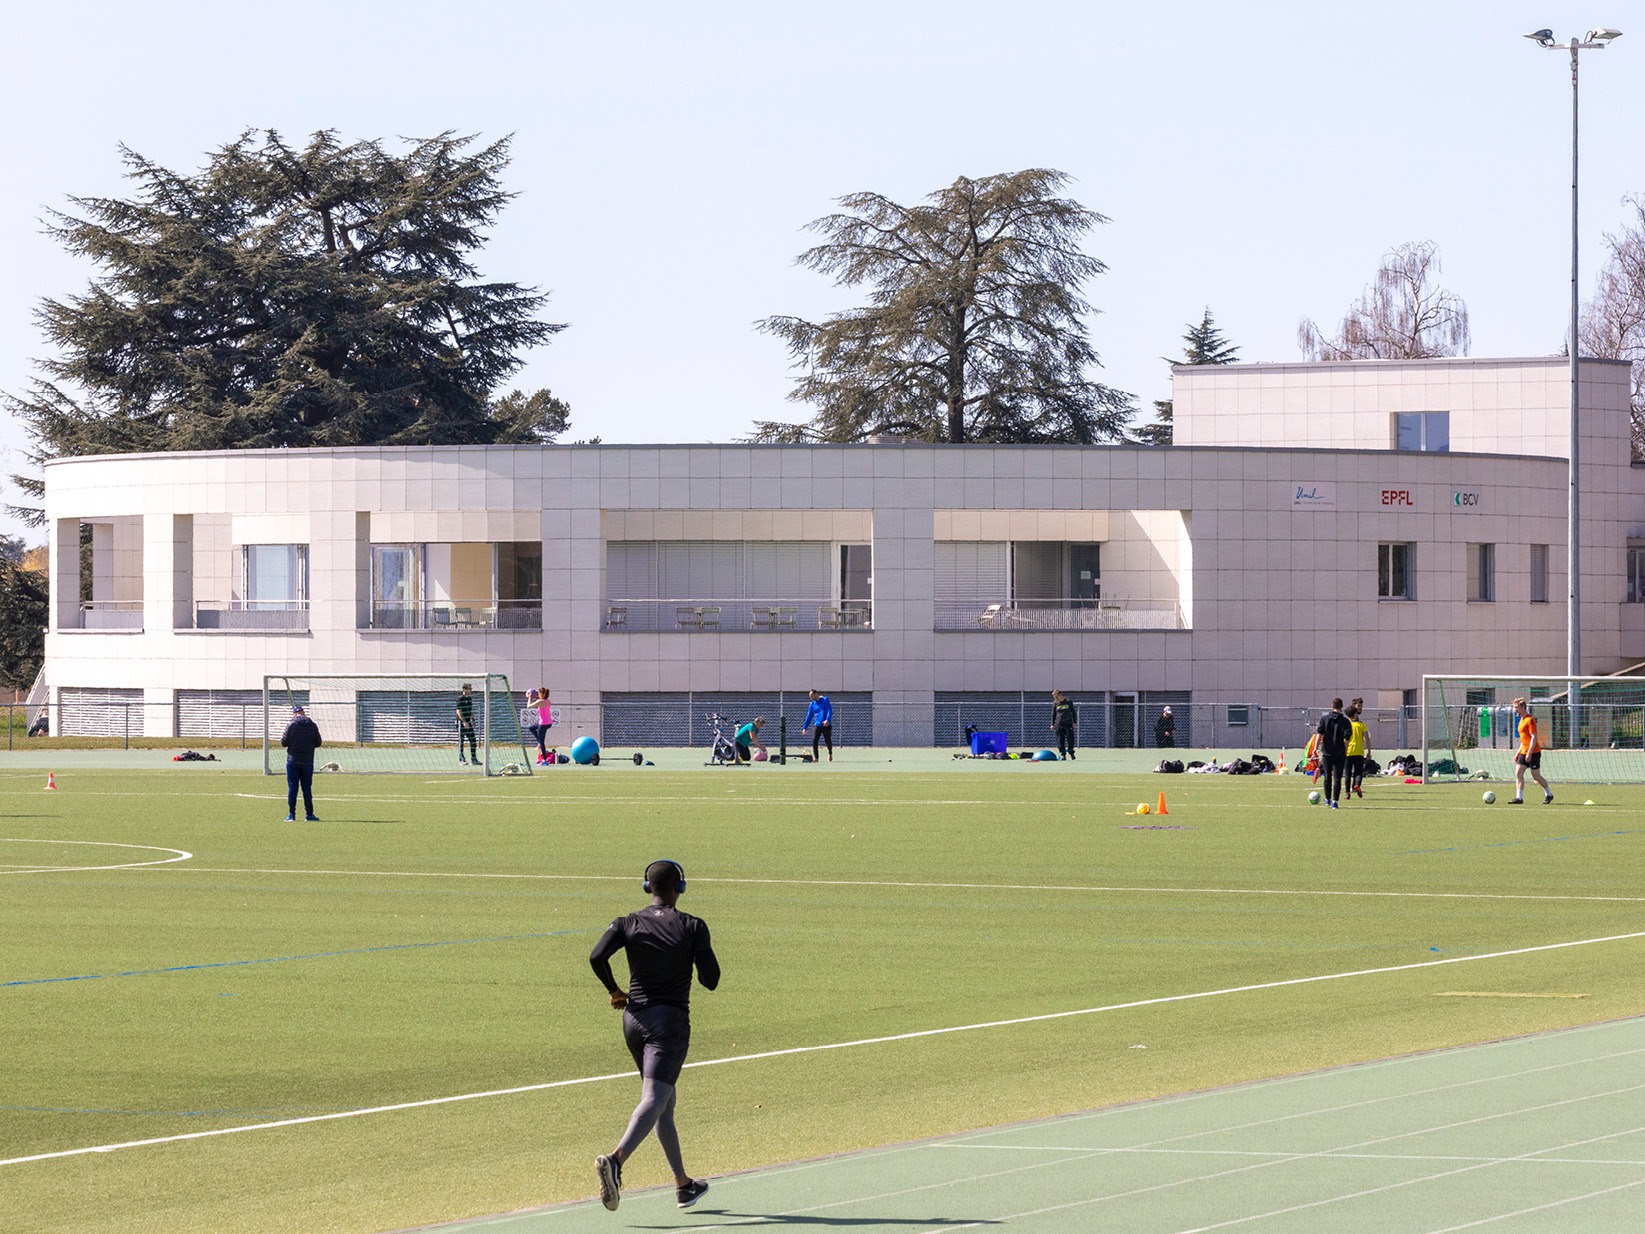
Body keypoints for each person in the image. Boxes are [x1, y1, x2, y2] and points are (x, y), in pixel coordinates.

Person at [589, 859, 720, 1212]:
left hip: (634, 1021)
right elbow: (711, 980)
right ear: (680, 888)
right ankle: (615, 1161)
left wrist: (615, 990)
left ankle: (683, 1185)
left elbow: (597, 956)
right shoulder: (693, 925)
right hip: (670, 1024)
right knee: (654, 1098)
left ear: (649, 888)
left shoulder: (627, 922)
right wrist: (694, 954)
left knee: (664, 1102)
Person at [280, 704, 323, 822]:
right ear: (303, 712)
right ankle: (309, 814)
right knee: (307, 789)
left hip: (293, 761)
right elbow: (318, 742)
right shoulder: (312, 725)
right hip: (308, 761)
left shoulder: (291, 725)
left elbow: (284, 742)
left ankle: (291, 814)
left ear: (294, 713)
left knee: (293, 788)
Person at [1511, 697, 1553, 805]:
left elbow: (1534, 737)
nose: (1515, 709)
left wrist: (1530, 752)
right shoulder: (1521, 720)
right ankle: (1519, 798)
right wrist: (1518, 752)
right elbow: (1524, 739)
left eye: (1516, 707)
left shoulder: (1530, 720)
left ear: (1523, 707)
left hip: (1533, 752)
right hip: (1524, 751)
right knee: (1518, 773)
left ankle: (1549, 794)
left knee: (1536, 776)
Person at [1316, 697, 1352, 809]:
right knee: (1337, 778)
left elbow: (1319, 734)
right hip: (1339, 753)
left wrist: (1315, 748)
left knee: (1327, 776)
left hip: (1327, 752)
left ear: (1332, 706)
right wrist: (1345, 750)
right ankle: (1335, 802)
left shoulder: (1325, 719)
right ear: (1342, 707)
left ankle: (1327, 799)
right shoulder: (1345, 721)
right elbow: (1347, 738)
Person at [1345, 701, 1371, 799]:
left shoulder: (1347, 725)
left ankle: (1347, 793)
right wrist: (1369, 751)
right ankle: (1357, 785)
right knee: (1358, 772)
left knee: (1347, 773)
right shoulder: (1361, 725)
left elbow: (1344, 739)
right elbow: (1367, 738)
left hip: (1348, 752)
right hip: (1359, 752)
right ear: (1355, 714)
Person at [802, 690, 833, 762]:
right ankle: (816, 758)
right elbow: (808, 717)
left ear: (816, 694)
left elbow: (829, 710)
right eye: (810, 697)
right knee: (815, 740)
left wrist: (827, 720)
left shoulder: (825, 700)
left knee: (828, 740)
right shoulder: (812, 704)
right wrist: (804, 728)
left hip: (826, 725)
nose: (811, 698)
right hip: (817, 725)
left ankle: (830, 753)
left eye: (812, 696)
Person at [456, 682, 479, 765]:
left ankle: (474, 759)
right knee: (461, 741)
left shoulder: (469, 699)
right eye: (469, 689)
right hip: (461, 723)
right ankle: (461, 759)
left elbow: (471, 710)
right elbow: (458, 711)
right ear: (464, 689)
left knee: (473, 740)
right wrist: (464, 722)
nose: (471, 690)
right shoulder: (460, 699)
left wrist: (473, 720)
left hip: (468, 723)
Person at [1051, 690, 1077, 760]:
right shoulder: (1055, 703)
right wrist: (1052, 724)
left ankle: (1071, 753)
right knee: (1060, 740)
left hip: (1068, 723)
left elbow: (1073, 712)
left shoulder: (1068, 701)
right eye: (1054, 697)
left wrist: (1074, 722)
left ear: (1060, 695)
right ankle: (1063, 754)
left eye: (1056, 697)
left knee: (1070, 739)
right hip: (1059, 724)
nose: (1055, 698)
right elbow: (1053, 714)